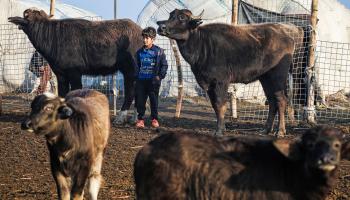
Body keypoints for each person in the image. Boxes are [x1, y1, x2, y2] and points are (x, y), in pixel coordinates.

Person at [135, 27, 168, 128]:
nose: (145, 40)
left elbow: (164, 65)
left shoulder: (158, 52)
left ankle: (154, 119)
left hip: (153, 82)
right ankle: (140, 119)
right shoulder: (139, 52)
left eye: (147, 38)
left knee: (154, 101)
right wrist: (136, 77)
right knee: (140, 101)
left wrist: (159, 77)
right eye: (144, 37)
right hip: (141, 81)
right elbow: (136, 66)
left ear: (153, 39)